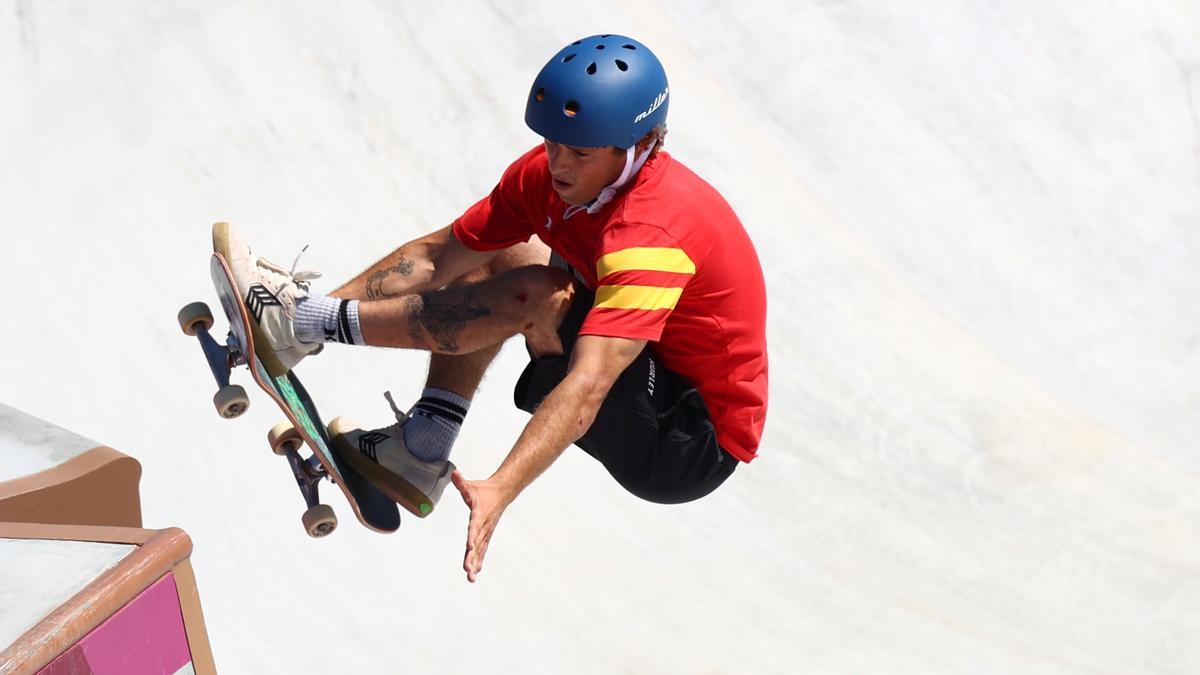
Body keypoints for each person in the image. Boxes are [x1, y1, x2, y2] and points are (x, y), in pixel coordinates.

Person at [215, 34, 768, 582]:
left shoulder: (652, 237)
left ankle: (303, 324)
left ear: (639, 146)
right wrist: (310, 317)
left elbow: (589, 386)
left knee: (541, 296)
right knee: (507, 249)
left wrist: (499, 488)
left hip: (688, 440)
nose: (559, 164)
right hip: (650, 373)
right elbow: (437, 257)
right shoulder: (545, 178)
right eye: (553, 142)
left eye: (581, 152)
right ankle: (413, 440)